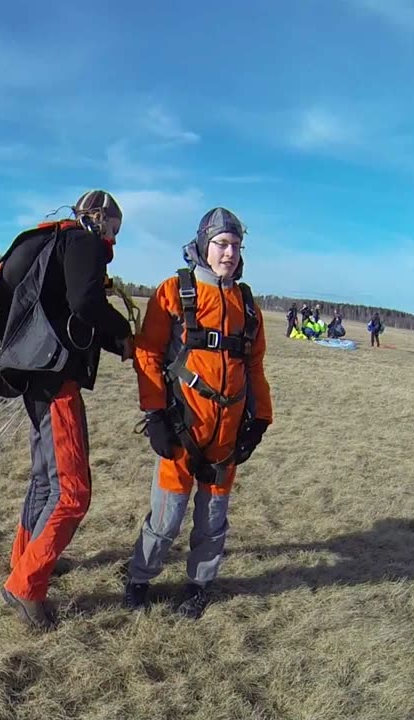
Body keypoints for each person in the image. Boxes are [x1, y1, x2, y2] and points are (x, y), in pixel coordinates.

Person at [0, 189, 133, 630]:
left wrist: (113, 342)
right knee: (72, 492)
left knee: (44, 479)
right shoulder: (83, 242)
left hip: (36, 373)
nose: (113, 238)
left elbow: (65, 307)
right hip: (55, 380)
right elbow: (85, 304)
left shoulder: (54, 239)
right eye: (114, 228)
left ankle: (26, 560)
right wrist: (125, 332)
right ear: (101, 220)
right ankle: (26, 585)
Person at [122, 207, 274, 619]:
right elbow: (148, 353)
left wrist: (260, 421)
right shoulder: (174, 290)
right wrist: (155, 415)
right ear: (204, 245)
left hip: (226, 435)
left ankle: (199, 585)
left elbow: (254, 365)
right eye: (221, 244)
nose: (229, 253)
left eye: (236, 246)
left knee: (212, 518)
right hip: (182, 424)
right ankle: (139, 578)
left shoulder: (247, 303)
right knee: (167, 516)